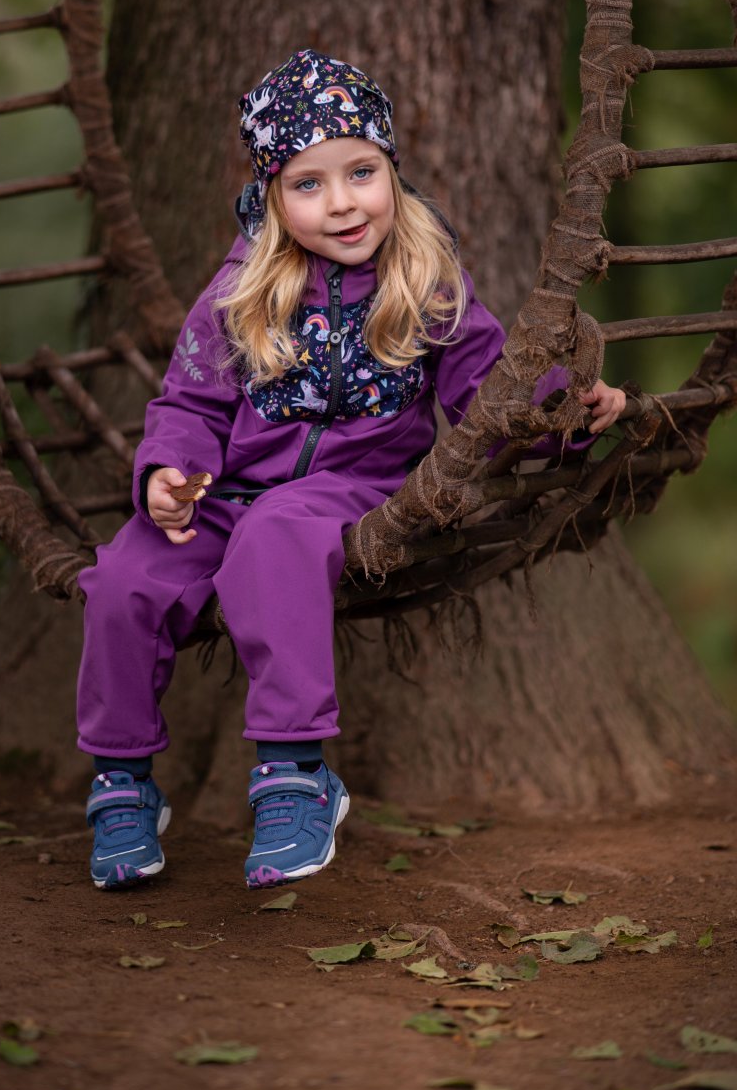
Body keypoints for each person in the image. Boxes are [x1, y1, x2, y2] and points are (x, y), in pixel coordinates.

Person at [76, 49, 626, 891]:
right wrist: (170, 471)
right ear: (272, 196)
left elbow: (489, 391)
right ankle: (121, 783)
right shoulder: (239, 292)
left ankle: (295, 773)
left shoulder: (424, 280)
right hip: (225, 495)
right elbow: (187, 403)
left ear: (391, 170)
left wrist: (566, 414)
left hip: (355, 491)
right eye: (309, 183)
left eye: (360, 171)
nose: (342, 202)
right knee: (123, 576)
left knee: (273, 536)